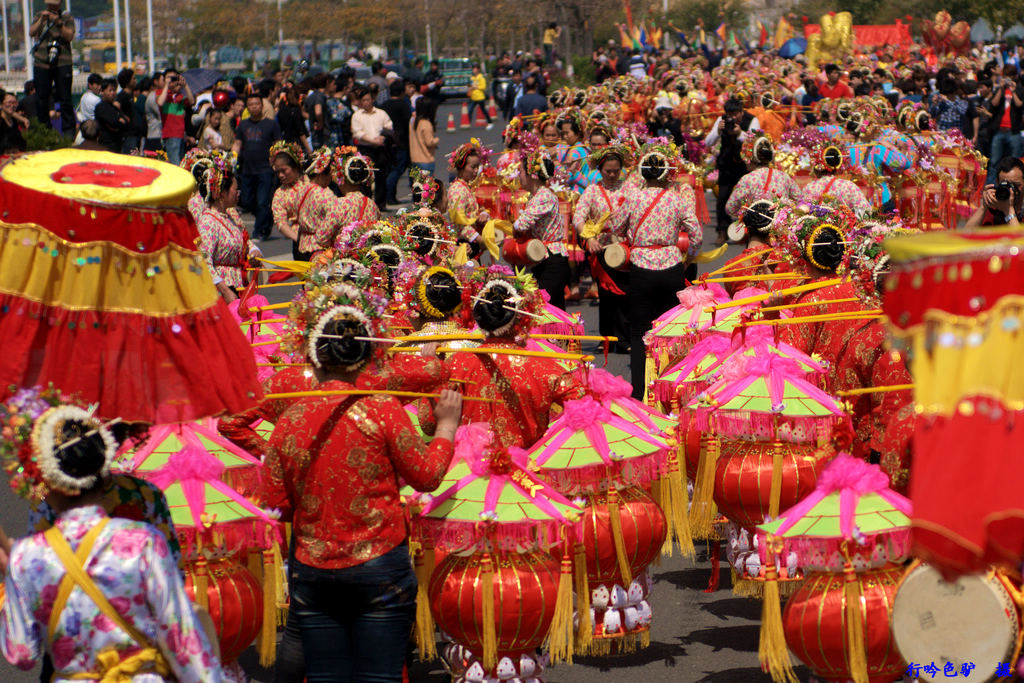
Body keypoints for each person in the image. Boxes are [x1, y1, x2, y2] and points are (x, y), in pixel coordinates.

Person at [262, 288, 464, 683]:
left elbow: (274, 500)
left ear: (314, 358)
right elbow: (426, 476)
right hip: (379, 563)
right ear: (367, 357)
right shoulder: (383, 409)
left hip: (313, 565)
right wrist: (446, 426)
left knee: (325, 676)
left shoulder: (292, 416)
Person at [0, 386, 222, 682]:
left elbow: (22, 653)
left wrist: (13, 582)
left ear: (48, 477)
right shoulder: (144, 540)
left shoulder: (27, 557)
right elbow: (182, 640)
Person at [618, 146, 702, 399]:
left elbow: (615, 225)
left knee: (639, 330)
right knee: (669, 328)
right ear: (667, 174)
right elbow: (696, 234)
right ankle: (669, 388)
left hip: (641, 265)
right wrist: (689, 259)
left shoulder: (632, 197)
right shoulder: (677, 199)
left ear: (643, 175)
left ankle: (640, 391)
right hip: (671, 265)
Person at [573, 145, 631, 351]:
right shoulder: (592, 191)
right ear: (600, 170)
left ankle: (624, 340)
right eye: (608, 171)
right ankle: (606, 339)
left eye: (616, 170)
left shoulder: (629, 188)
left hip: (626, 248)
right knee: (606, 296)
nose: (613, 175)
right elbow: (578, 217)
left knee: (625, 293)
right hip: (602, 248)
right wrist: (588, 238)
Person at [195, 154, 263, 300]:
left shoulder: (229, 217)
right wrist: (225, 291)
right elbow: (203, 261)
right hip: (221, 292)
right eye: (235, 190)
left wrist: (253, 251)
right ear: (222, 193)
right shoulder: (208, 222)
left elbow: (244, 239)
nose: (238, 194)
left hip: (237, 286)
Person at [514, 151, 569, 309]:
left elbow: (521, 224)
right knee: (554, 310)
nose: (519, 175)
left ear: (532, 174)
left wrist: (511, 226)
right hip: (544, 259)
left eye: (522, 171)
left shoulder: (543, 195)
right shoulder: (535, 196)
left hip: (552, 259)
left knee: (545, 309)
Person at [705, 97, 759, 245]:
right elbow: (708, 142)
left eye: (735, 114)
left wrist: (740, 133)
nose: (733, 118)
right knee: (722, 197)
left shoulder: (752, 120)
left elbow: (756, 142)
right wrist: (718, 130)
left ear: (742, 112)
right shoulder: (721, 120)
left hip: (745, 165)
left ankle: (751, 231)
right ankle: (722, 231)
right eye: (730, 115)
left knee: (750, 198)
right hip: (727, 164)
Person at [233, 93, 283, 241]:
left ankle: (258, 232)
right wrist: (231, 158)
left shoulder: (271, 124)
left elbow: (278, 145)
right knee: (247, 201)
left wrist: (277, 163)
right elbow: (237, 144)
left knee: (262, 201)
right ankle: (266, 219)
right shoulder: (243, 125)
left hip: (266, 169)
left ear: (262, 106)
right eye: (251, 104)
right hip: (247, 169)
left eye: (257, 104)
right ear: (247, 107)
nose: (254, 107)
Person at [724, 134, 800, 222]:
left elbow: (730, 208)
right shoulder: (784, 177)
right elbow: (800, 200)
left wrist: (746, 214)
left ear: (751, 157)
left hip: (755, 228)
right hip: (780, 227)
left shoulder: (748, 179)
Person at [29, 0, 74, 135]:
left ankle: (68, 131)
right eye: (50, 6)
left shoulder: (66, 17)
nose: (51, 8)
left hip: (62, 62)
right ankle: (44, 130)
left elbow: (70, 36)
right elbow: (32, 32)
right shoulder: (39, 16)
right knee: (42, 98)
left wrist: (58, 22)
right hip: (42, 62)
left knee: (65, 97)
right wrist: (42, 19)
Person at [351, 84, 393, 211]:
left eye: (368, 100)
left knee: (381, 175)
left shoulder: (381, 113)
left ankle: (381, 203)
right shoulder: (357, 116)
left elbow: (389, 127)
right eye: (363, 100)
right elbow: (358, 133)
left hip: (380, 148)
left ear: (372, 100)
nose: (366, 103)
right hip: (365, 148)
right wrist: (373, 141)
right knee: (365, 177)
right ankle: (368, 203)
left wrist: (382, 138)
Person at [269, 141, 311, 260]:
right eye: (278, 172)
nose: (281, 175)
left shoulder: (311, 182)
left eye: (284, 170)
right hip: (300, 241)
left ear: (296, 166)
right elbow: (280, 222)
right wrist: (298, 239)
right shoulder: (280, 193)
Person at [985, 66, 1024, 184]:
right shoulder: (999, 90)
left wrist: (1013, 91)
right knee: (994, 162)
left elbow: (1020, 105)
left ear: (1014, 77)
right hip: (999, 131)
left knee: (1014, 162)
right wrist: (1001, 89)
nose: (1007, 80)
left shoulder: (1019, 89)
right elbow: (993, 104)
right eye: (1005, 77)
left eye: (1010, 77)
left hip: (1013, 132)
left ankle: (1014, 187)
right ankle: (990, 187)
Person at [965, 156, 1024, 227]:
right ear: (997, 183)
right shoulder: (993, 209)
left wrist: (1008, 211)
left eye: (1015, 185)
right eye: (1005, 185)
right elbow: (967, 233)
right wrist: (983, 207)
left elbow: (1020, 237)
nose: (1011, 189)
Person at [381, 79, 412, 205]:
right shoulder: (403, 105)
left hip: (388, 142)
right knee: (397, 169)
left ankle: (391, 196)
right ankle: (388, 195)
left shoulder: (384, 105)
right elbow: (408, 123)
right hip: (401, 142)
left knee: (391, 168)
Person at [158, 69, 194, 166]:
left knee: (180, 163)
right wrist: (166, 85)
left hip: (180, 134)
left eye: (174, 78)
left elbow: (191, 102)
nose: (172, 80)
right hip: (169, 133)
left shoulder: (180, 96)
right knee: (174, 163)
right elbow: (160, 102)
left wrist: (185, 86)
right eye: (169, 77)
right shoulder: (161, 93)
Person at [93, 78, 130, 153]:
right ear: (102, 92)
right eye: (110, 90)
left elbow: (126, 122)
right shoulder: (101, 107)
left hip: (118, 145)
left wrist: (120, 121)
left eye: (114, 90)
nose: (113, 93)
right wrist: (119, 122)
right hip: (106, 146)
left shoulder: (114, 107)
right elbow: (114, 124)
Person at [277, 84, 311, 155]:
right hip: (297, 143)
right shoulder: (296, 111)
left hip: (286, 141)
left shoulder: (281, 110)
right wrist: (309, 149)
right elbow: (300, 131)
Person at [410, 97, 439, 175]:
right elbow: (429, 142)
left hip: (415, 159)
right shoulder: (426, 124)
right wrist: (436, 140)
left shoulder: (413, 122)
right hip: (426, 160)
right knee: (427, 185)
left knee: (417, 185)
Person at [115, 68, 142, 153]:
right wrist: (123, 116)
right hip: (128, 134)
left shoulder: (131, 95)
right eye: (133, 78)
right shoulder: (122, 96)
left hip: (135, 133)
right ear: (127, 81)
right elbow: (116, 106)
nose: (135, 80)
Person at [305, 72, 329, 149]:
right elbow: (318, 111)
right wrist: (321, 123)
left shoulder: (311, 96)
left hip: (313, 130)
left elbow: (304, 111)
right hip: (321, 132)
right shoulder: (320, 96)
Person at [144, 71, 165, 152]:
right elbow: (160, 114)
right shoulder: (153, 96)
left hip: (159, 135)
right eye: (163, 80)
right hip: (155, 136)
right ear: (155, 82)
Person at [467, 64, 494, 130]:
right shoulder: (472, 78)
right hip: (473, 97)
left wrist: (476, 87)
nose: (474, 70)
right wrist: (470, 88)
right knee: (470, 110)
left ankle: (490, 122)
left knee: (483, 110)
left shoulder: (481, 77)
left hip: (480, 97)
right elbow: (469, 85)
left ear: (478, 69)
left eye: (476, 69)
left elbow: (483, 87)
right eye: (473, 69)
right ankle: (468, 123)